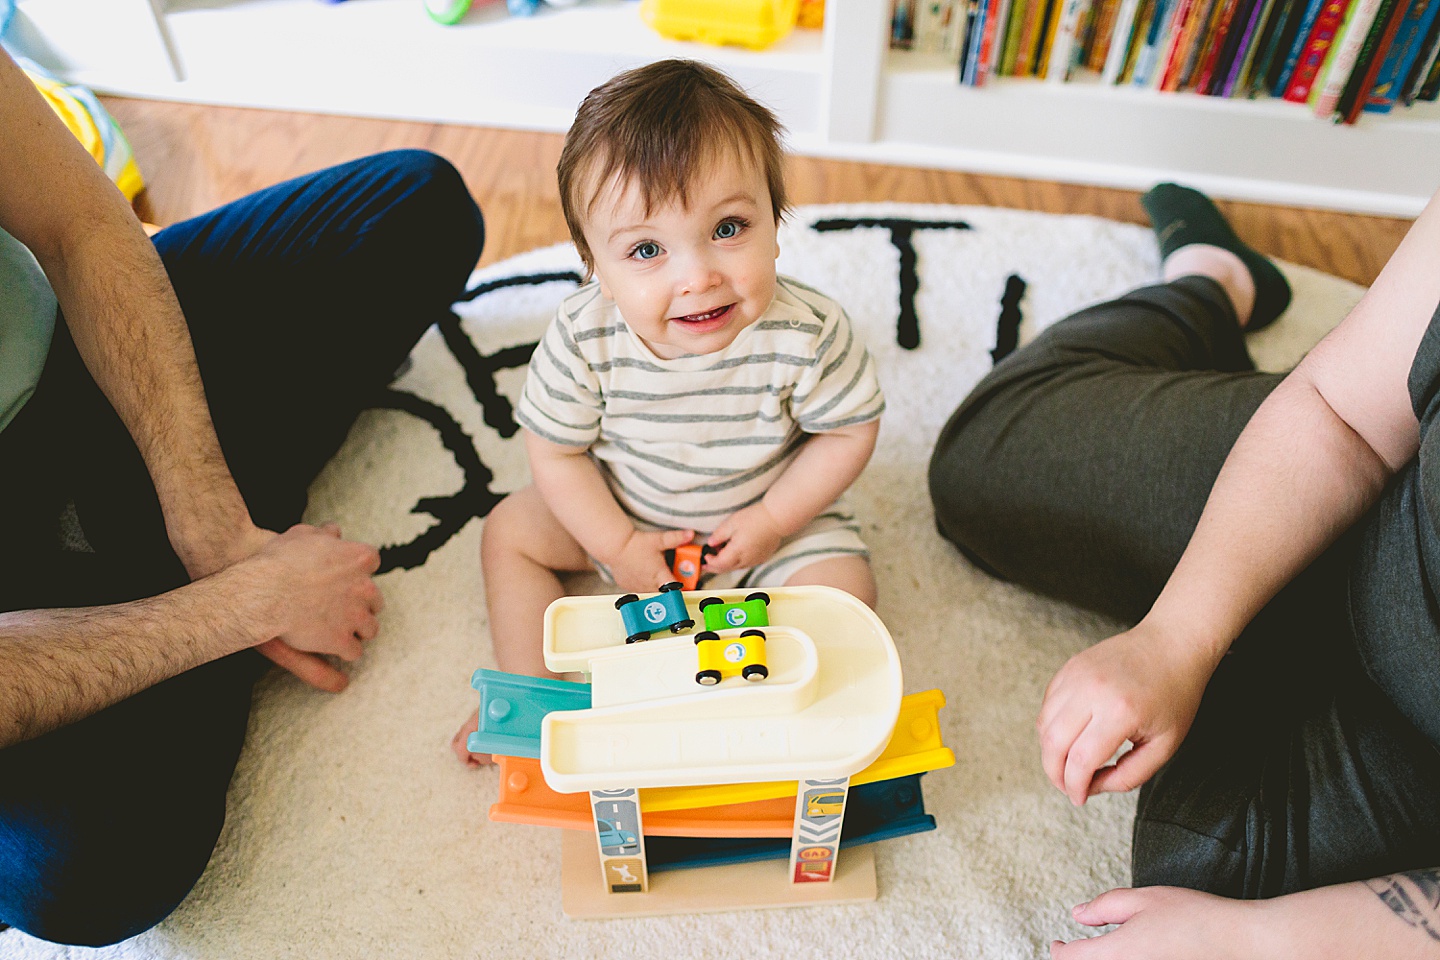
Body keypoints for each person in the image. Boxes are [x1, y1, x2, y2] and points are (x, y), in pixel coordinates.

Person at [0, 46, 484, 946]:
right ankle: (187, 583)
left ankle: (159, 565)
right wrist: (241, 602)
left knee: (413, 208)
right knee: (79, 871)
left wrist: (215, 528)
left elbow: (80, 226)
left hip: (64, 364)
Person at [929, 179, 1440, 958]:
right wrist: (1176, 636)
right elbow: (1344, 413)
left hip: (1417, 749)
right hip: (1382, 499)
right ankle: (1214, 283)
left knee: (1196, 878)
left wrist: (1257, 940)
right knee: (983, 464)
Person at [451, 59, 883, 762]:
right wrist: (617, 545)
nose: (698, 276)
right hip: (624, 510)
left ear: (776, 223)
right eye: (647, 249)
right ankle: (528, 695)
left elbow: (849, 430)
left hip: (764, 521)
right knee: (511, 531)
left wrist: (774, 521)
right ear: (594, 263)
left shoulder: (808, 330)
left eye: (728, 228)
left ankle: (762, 705)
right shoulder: (584, 334)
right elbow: (555, 451)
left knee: (847, 593)